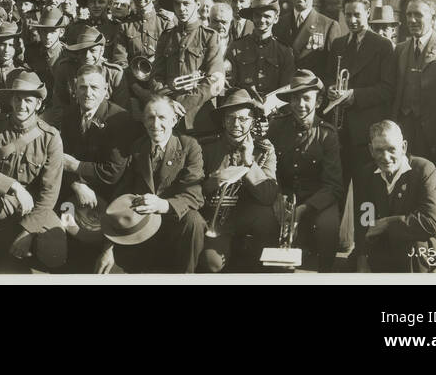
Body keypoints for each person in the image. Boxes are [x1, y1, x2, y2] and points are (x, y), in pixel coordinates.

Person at [0, 71, 66, 274]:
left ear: (38, 105)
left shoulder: (51, 137)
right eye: (17, 99)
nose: (21, 105)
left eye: (28, 100)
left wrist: (28, 232)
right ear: (11, 100)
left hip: (33, 206)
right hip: (2, 199)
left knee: (55, 256)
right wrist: (14, 186)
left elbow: (49, 193)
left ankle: (17, 238)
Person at [94, 95, 207, 274]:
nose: (155, 124)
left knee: (194, 222)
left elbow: (194, 195)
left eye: (162, 117)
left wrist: (163, 205)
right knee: (107, 272)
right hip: (139, 228)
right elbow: (121, 196)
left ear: (174, 120)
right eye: (150, 117)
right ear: (143, 121)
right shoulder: (136, 147)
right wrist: (110, 248)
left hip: (174, 226)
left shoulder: (189, 147)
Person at [42, 64, 139, 272]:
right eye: (83, 87)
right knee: (60, 251)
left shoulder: (120, 119)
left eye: (95, 87)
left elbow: (112, 172)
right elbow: (61, 165)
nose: (88, 93)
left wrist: (77, 166)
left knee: (96, 263)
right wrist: (76, 185)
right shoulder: (69, 116)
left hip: (108, 200)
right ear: (74, 90)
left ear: (106, 90)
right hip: (75, 195)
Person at [337, 120, 436, 273]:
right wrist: (362, 257)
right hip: (383, 242)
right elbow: (364, 223)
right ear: (371, 150)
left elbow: (431, 223)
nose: (385, 157)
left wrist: (387, 223)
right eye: (379, 150)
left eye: (391, 149)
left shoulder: (424, 169)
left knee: (415, 249)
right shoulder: (365, 174)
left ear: (403, 147)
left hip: (417, 242)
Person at [266, 70, 343, 272]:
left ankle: (324, 274)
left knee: (328, 226)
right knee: (266, 223)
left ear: (318, 102)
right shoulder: (276, 127)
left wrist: (305, 208)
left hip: (316, 198)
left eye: (307, 98)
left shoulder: (327, 134)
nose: (300, 105)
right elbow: (268, 169)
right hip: (283, 195)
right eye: (295, 98)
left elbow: (333, 186)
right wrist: (277, 197)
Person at [198, 89, 280, 273]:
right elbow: (193, 191)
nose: (236, 124)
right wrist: (213, 182)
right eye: (231, 118)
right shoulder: (207, 147)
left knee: (267, 217)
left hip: (248, 214)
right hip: (216, 216)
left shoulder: (264, 149)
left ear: (252, 121)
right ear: (223, 121)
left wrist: (249, 160)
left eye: (243, 119)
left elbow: (268, 195)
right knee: (213, 264)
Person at [325, 0, 396, 184]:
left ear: (368, 13)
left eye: (357, 14)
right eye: (348, 15)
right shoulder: (339, 44)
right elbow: (330, 76)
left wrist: (354, 96)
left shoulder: (383, 45)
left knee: (363, 183)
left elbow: (387, 88)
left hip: (366, 128)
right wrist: (330, 88)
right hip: (339, 127)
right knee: (338, 179)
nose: (352, 20)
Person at [145, 0, 226, 137]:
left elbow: (214, 80)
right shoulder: (166, 36)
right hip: (168, 118)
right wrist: (169, 104)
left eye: (186, 3)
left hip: (200, 119)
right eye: (177, 4)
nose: (181, 9)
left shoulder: (209, 36)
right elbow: (156, 77)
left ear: (197, 5)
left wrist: (181, 105)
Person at [390, 0, 436, 161]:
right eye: (408, 15)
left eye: (418, 15)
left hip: (432, 132)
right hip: (403, 128)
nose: (412, 20)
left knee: (427, 180)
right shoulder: (400, 49)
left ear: (433, 18)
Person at [275, 0, 345, 85]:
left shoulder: (329, 26)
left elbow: (333, 69)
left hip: (311, 93)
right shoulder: (278, 23)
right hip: (281, 94)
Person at [227, 0, 295, 95]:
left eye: (267, 16)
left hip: (273, 108)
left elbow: (286, 89)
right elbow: (229, 85)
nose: (262, 20)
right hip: (242, 106)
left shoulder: (284, 52)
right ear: (252, 17)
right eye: (257, 15)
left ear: (275, 19)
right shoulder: (236, 47)